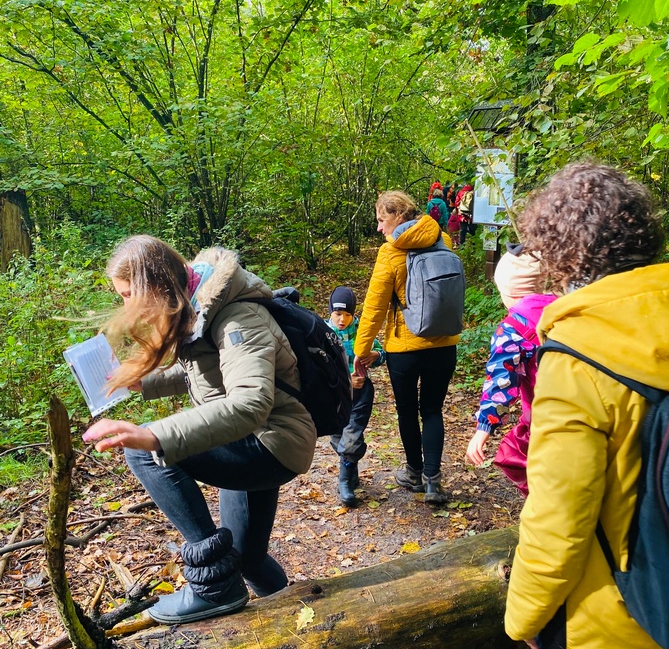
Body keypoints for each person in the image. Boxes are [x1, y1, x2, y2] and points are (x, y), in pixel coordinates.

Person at [461, 160, 669, 649]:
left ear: (558, 255)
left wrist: (525, 617)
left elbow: (558, 518)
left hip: (609, 615)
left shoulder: (580, 355)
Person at [82, 237, 317, 624]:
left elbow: (250, 403)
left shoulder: (238, 318)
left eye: (127, 295)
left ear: (154, 286)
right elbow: (209, 368)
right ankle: (300, 620)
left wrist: (157, 436)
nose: (126, 308)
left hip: (269, 442)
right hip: (254, 438)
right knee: (249, 559)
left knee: (144, 451)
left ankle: (214, 584)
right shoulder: (202, 305)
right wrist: (146, 381)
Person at [354, 190, 460, 504]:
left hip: (404, 348)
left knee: (407, 411)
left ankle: (414, 472)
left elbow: (374, 308)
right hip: (444, 344)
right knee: (432, 410)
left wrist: (360, 351)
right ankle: (433, 482)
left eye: (381, 219)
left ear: (397, 216)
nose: (379, 227)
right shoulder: (443, 240)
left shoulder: (390, 252)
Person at [464, 246, 556, 495]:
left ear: (509, 291)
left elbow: (500, 381)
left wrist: (483, 428)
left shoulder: (513, 329)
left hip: (545, 419)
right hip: (589, 412)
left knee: (530, 469)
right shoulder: (569, 310)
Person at [326, 285, 385, 508]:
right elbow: (317, 367)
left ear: (353, 314)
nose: (342, 320)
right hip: (334, 394)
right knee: (338, 437)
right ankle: (351, 470)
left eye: (347, 314)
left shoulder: (362, 330)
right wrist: (344, 381)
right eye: (337, 314)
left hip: (360, 393)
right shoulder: (322, 332)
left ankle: (344, 483)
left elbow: (382, 354)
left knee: (351, 435)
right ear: (330, 312)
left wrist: (376, 355)